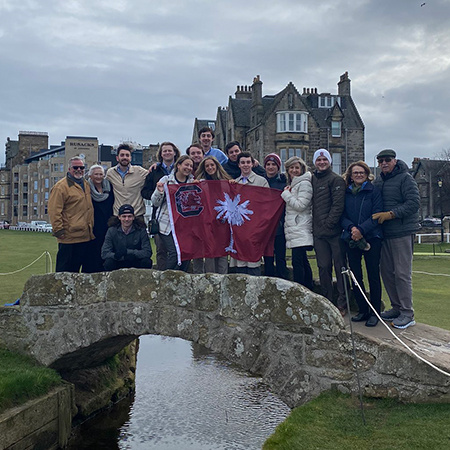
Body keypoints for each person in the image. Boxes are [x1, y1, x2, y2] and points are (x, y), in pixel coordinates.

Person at [373, 149, 420, 329]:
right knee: (387, 273)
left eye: (387, 160)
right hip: (385, 233)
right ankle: (397, 307)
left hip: (402, 231)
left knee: (402, 274)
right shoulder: (379, 181)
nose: (384, 163)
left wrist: (392, 214)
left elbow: (414, 203)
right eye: (381, 161)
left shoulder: (406, 178)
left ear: (394, 161)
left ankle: (408, 313)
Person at [341, 161, 383, 327]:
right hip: (352, 238)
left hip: (372, 237)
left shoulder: (374, 191)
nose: (358, 175)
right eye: (355, 173)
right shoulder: (347, 193)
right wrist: (352, 229)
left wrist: (361, 230)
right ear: (351, 176)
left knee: (373, 275)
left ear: (367, 174)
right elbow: (342, 216)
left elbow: (376, 214)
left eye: (361, 172)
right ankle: (363, 309)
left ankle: (375, 312)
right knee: (356, 276)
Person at [311, 149, 347, 315]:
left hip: (334, 233)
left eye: (324, 159)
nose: (322, 162)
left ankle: (342, 302)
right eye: (318, 160)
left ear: (329, 161)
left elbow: (338, 206)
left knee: (340, 268)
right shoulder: (312, 180)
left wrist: (328, 224)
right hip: (319, 234)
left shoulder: (336, 180)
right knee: (323, 267)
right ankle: (327, 301)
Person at [48, 156, 94, 272]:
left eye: (82, 167)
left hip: (85, 236)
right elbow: (54, 211)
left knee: (82, 275)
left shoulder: (86, 184)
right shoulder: (60, 187)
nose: (79, 170)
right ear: (69, 169)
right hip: (69, 238)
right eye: (75, 167)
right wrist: (59, 231)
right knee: (65, 273)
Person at [141, 142, 181, 270]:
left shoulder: (181, 168)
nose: (167, 153)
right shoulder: (154, 171)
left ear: (175, 152)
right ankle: (161, 276)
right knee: (161, 249)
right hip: (160, 215)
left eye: (170, 150)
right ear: (161, 154)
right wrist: (158, 193)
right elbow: (145, 192)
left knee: (179, 249)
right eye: (164, 151)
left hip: (178, 216)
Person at [151, 155, 195, 271]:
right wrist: (160, 192)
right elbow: (155, 203)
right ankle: (165, 279)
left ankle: (181, 278)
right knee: (175, 253)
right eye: (186, 164)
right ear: (178, 165)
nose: (188, 167)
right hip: (167, 225)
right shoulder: (166, 180)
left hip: (184, 225)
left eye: (191, 165)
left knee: (187, 253)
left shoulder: (192, 182)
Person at [229, 152, 269, 276]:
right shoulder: (234, 183)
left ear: (252, 164)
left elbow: (266, 204)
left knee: (253, 261)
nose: (246, 165)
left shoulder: (261, 181)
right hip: (239, 227)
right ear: (239, 165)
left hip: (254, 226)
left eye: (248, 162)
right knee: (240, 262)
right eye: (243, 163)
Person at [193, 156, 232, 274]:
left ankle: (223, 279)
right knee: (209, 251)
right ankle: (210, 280)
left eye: (212, 165)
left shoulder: (226, 181)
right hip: (206, 222)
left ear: (217, 166)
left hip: (222, 222)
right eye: (207, 166)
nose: (210, 168)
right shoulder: (200, 182)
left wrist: (233, 184)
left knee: (222, 252)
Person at [281, 156, 314, 289]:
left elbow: (301, 205)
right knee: (302, 260)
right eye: (291, 168)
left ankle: (301, 289)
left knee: (298, 261)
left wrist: (286, 195)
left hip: (300, 226)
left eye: (297, 167)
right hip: (295, 227)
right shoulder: (294, 184)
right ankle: (308, 288)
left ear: (302, 169)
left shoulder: (304, 183)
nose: (294, 170)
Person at [101, 204, 152, 271]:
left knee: (147, 262)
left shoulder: (141, 230)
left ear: (133, 217)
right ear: (119, 217)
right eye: (124, 216)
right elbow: (104, 253)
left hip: (135, 260)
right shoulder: (111, 231)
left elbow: (147, 252)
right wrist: (117, 256)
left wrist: (129, 252)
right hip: (118, 261)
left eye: (129, 216)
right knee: (108, 263)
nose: (127, 219)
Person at [263, 153, 289, 279]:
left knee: (280, 257)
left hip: (279, 225)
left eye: (273, 164)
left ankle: (282, 283)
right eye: (268, 164)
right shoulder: (261, 182)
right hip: (265, 226)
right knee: (267, 257)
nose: (271, 167)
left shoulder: (283, 182)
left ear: (278, 167)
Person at [84, 164, 114, 273]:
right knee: (93, 253)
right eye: (96, 174)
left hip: (108, 224)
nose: (98, 176)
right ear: (90, 176)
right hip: (94, 225)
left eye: (101, 174)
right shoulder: (86, 188)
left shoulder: (109, 187)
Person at [106, 143, 149, 217]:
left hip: (136, 215)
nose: (125, 157)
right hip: (118, 216)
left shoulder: (139, 171)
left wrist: (157, 164)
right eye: (122, 155)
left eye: (127, 155)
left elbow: (153, 176)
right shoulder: (111, 173)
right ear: (117, 158)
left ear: (130, 158)